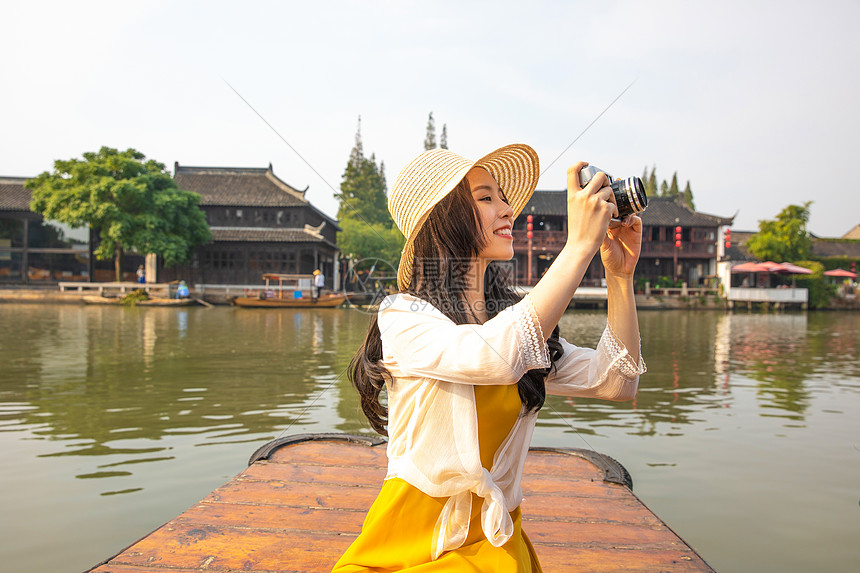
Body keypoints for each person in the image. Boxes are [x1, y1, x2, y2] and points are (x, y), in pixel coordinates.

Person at [332, 144, 645, 572]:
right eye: (486, 198)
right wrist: (578, 248)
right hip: (408, 544)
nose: (506, 210)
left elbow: (616, 382)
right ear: (444, 221)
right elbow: (496, 357)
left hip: (495, 543)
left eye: (503, 197)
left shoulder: (519, 326)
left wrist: (619, 277)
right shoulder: (403, 315)